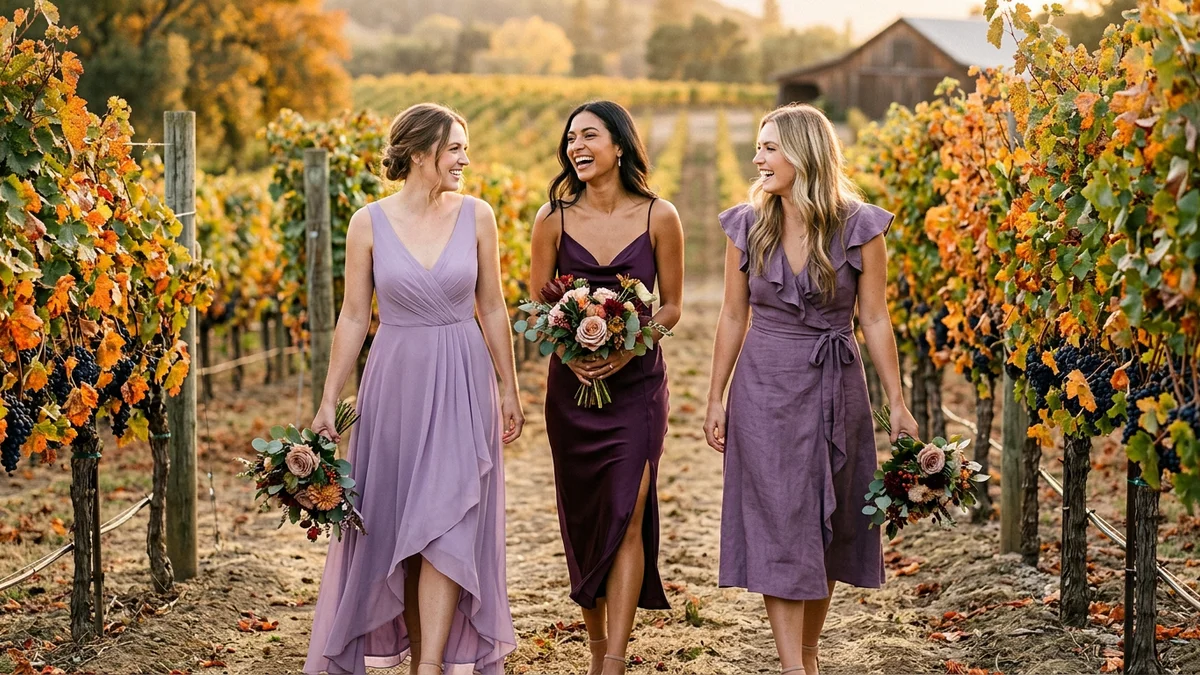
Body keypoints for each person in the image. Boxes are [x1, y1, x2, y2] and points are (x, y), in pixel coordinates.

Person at [304, 103, 523, 675]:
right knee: (399, 523)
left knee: (450, 520)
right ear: (421, 152)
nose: (465, 160)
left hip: (462, 377)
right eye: (455, 148)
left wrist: (509, 386)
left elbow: (493, 306)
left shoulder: (479, 216)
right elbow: (354, 317)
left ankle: (430, 666)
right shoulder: (367, 222)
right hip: (395, 383)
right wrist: (329, 399)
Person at [703, 103, 919, 675]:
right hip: (765, 386)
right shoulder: (747, 225)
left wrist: (896, 402)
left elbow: (875, 319)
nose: (758, 158)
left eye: (770, 147)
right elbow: (731, 315)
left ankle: (807, 653)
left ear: (804, 152)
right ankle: (793, 667)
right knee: (780, 517)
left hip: (835, 382)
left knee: (827, 520)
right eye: (758, 146)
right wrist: (715, 396)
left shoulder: (859, 225)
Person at [528, 100, 684, 675]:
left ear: (619, 145)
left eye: (589, 135)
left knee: (628, 509)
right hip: (571, 391)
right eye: (570, 138)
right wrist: (573, 352)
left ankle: (613, 663)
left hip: (638, 384)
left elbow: (670, 308)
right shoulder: (551, 219)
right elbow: (539, 308)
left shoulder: (659, 216)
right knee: (587, 514)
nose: (577, 147)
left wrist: (624, 351)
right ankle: (595, 653)